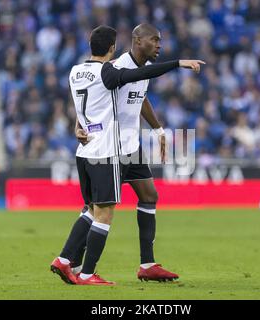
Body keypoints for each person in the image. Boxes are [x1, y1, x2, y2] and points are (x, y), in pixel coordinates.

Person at [50, 25, 204, 285]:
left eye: (160, 40)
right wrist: (81, 124)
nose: (159, 45)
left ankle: (147, 264)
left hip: (131, 147)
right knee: (99, 209)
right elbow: (99, 95)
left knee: (149, 195)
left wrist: (158, 129)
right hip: (112, 149)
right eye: (154, 40)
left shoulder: (133, 71)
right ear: (137, 41)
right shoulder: (117, 67)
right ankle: (73, 262)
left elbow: (139, 97)